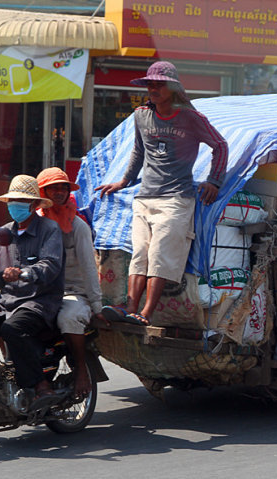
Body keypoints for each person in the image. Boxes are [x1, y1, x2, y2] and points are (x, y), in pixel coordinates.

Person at [95, 61, 228, 325]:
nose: (153, 88)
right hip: (144, 198)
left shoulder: (191, 118)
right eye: (150, 84)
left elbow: (220, 146)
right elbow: (138, 152)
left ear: (173, 88)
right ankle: (129, 309)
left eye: (159, 84)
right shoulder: (141, 115)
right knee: (140, 255)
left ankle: (145, 314)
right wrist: (123, 181)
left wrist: (214, 181)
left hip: (176, 200)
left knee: (160, 257)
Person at [0, 175, 65, 407]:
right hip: (6, 302)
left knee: (11, 328)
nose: (16, 205)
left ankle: (40, 385)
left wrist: (23, 272)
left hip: (39, 302)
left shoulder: (49, 229)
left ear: (33, 205)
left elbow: (50, 265)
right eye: (12, 200)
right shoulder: (4, 232)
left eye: (21, 201)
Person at [36, 167, 105, 399]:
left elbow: (89, 267)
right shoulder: (35, 222)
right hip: (41, 293)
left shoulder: (78, 227)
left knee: (69, 317)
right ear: (42, 192)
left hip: (73, 293)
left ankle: (81, 369)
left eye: (63, 188)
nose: (58, 192)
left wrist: (97, 306)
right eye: (53, 188)